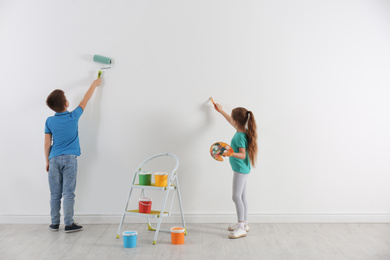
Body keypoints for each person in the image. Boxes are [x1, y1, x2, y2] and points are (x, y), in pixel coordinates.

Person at [44, 77, 102, 233]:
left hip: (54, 159)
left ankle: (55, 223)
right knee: (68, 192)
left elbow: (47, 144)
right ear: (66, 103)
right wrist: (95, 84)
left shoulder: (49, 121)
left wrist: (47, 161)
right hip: (70, 159)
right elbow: (86, 99)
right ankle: (69, 223)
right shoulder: (73, 115)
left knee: (55, 194)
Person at [214, 102, 258, 239]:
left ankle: (241, 228)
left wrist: (230, 153)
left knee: (236, 197)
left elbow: (242, 155)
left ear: (236, 120)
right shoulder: (242, 130)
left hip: (240, 169)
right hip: (243, 169)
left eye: (232, 118)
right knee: (242, 197)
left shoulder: (239, 136)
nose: (231, 120)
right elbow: (230, 121)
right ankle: (244, 223)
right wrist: (221, 111)